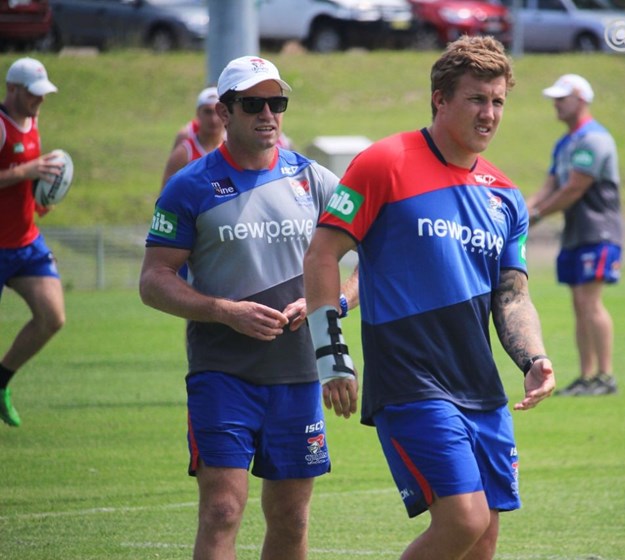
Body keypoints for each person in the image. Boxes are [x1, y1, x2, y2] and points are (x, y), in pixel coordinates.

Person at [303, 36, 556, 560]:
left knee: (484, 535)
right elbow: (323, 256)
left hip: (481, 386)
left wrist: (533, 357)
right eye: (476, 99)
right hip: (412, 382)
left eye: (498, 101)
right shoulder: (383, 163)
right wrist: (332, 357)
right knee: (462, 519)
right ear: (440, 99)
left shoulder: (505, 196)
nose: (489, 114)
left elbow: (513, 294)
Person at [139, 55, 355, 560]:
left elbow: (373, 257)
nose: (268, 114)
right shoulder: (190, 186)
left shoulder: (315, 180)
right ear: (225, 110)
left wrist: (332, 303)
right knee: (222, 511)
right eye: (253, 103)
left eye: (276, 102)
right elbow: (153, 280)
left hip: (300, 376)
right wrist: (223, 310)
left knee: (292, 517)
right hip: (222, 374)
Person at [526, 74, 622, 397]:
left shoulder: (594, 139)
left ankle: (605, 376)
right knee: (579, 304)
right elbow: (549, 187)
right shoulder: (564, 144)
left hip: (598, 231)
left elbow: (574, 189)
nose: (556, 103)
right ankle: (586, 376)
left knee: (590, 302)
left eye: (562, 98)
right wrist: (519, 214)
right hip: (575, 234)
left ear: (581, 99)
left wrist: (536, 216)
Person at [0, 57, 66, 428]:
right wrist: (29, 171)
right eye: (34, 95)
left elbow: (27, 176)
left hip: (25, 241)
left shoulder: (33, 120)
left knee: (52, 317)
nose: (40, 101)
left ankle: (1, 380)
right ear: (12, 89)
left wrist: (38, 196)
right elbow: (24, 167)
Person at [160, 86, 225, 189]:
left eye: (217, 112)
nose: (213, 119)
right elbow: (165, 194)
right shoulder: (184, 153)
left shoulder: (233, 148)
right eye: (208, 112)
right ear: (198, 113)